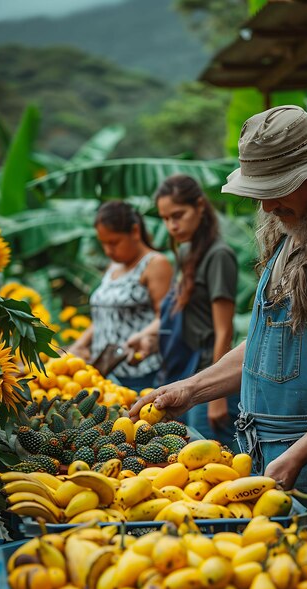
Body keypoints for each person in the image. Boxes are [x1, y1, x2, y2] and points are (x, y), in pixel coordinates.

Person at [130, 105, 307, 578]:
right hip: (273, 458)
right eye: (260, 193)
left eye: (276, 190)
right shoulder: (295, 237)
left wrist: (295, 456)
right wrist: (191, 389)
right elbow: (264, 346)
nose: (266, 207)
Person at [127, 174, 239, 448]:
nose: (172, 226)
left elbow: (223, 329)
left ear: (200, 206)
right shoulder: (189, 254)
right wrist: (149, 336)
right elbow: (180, 313)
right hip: (185, 373)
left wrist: (217, 397)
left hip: (207, 374)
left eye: (178, 215)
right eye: (166, 219)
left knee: (211, 457)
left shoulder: (218, 255)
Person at [69, 199, 173, 393]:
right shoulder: (114, 267)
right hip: (103, 371)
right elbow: (104, 316)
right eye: (103, 244)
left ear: (134, 231)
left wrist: (142, 335)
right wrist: (79, 346)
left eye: (114, 242)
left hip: (138, 374)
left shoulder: (155, 264)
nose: (108, 251)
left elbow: (166, 316)